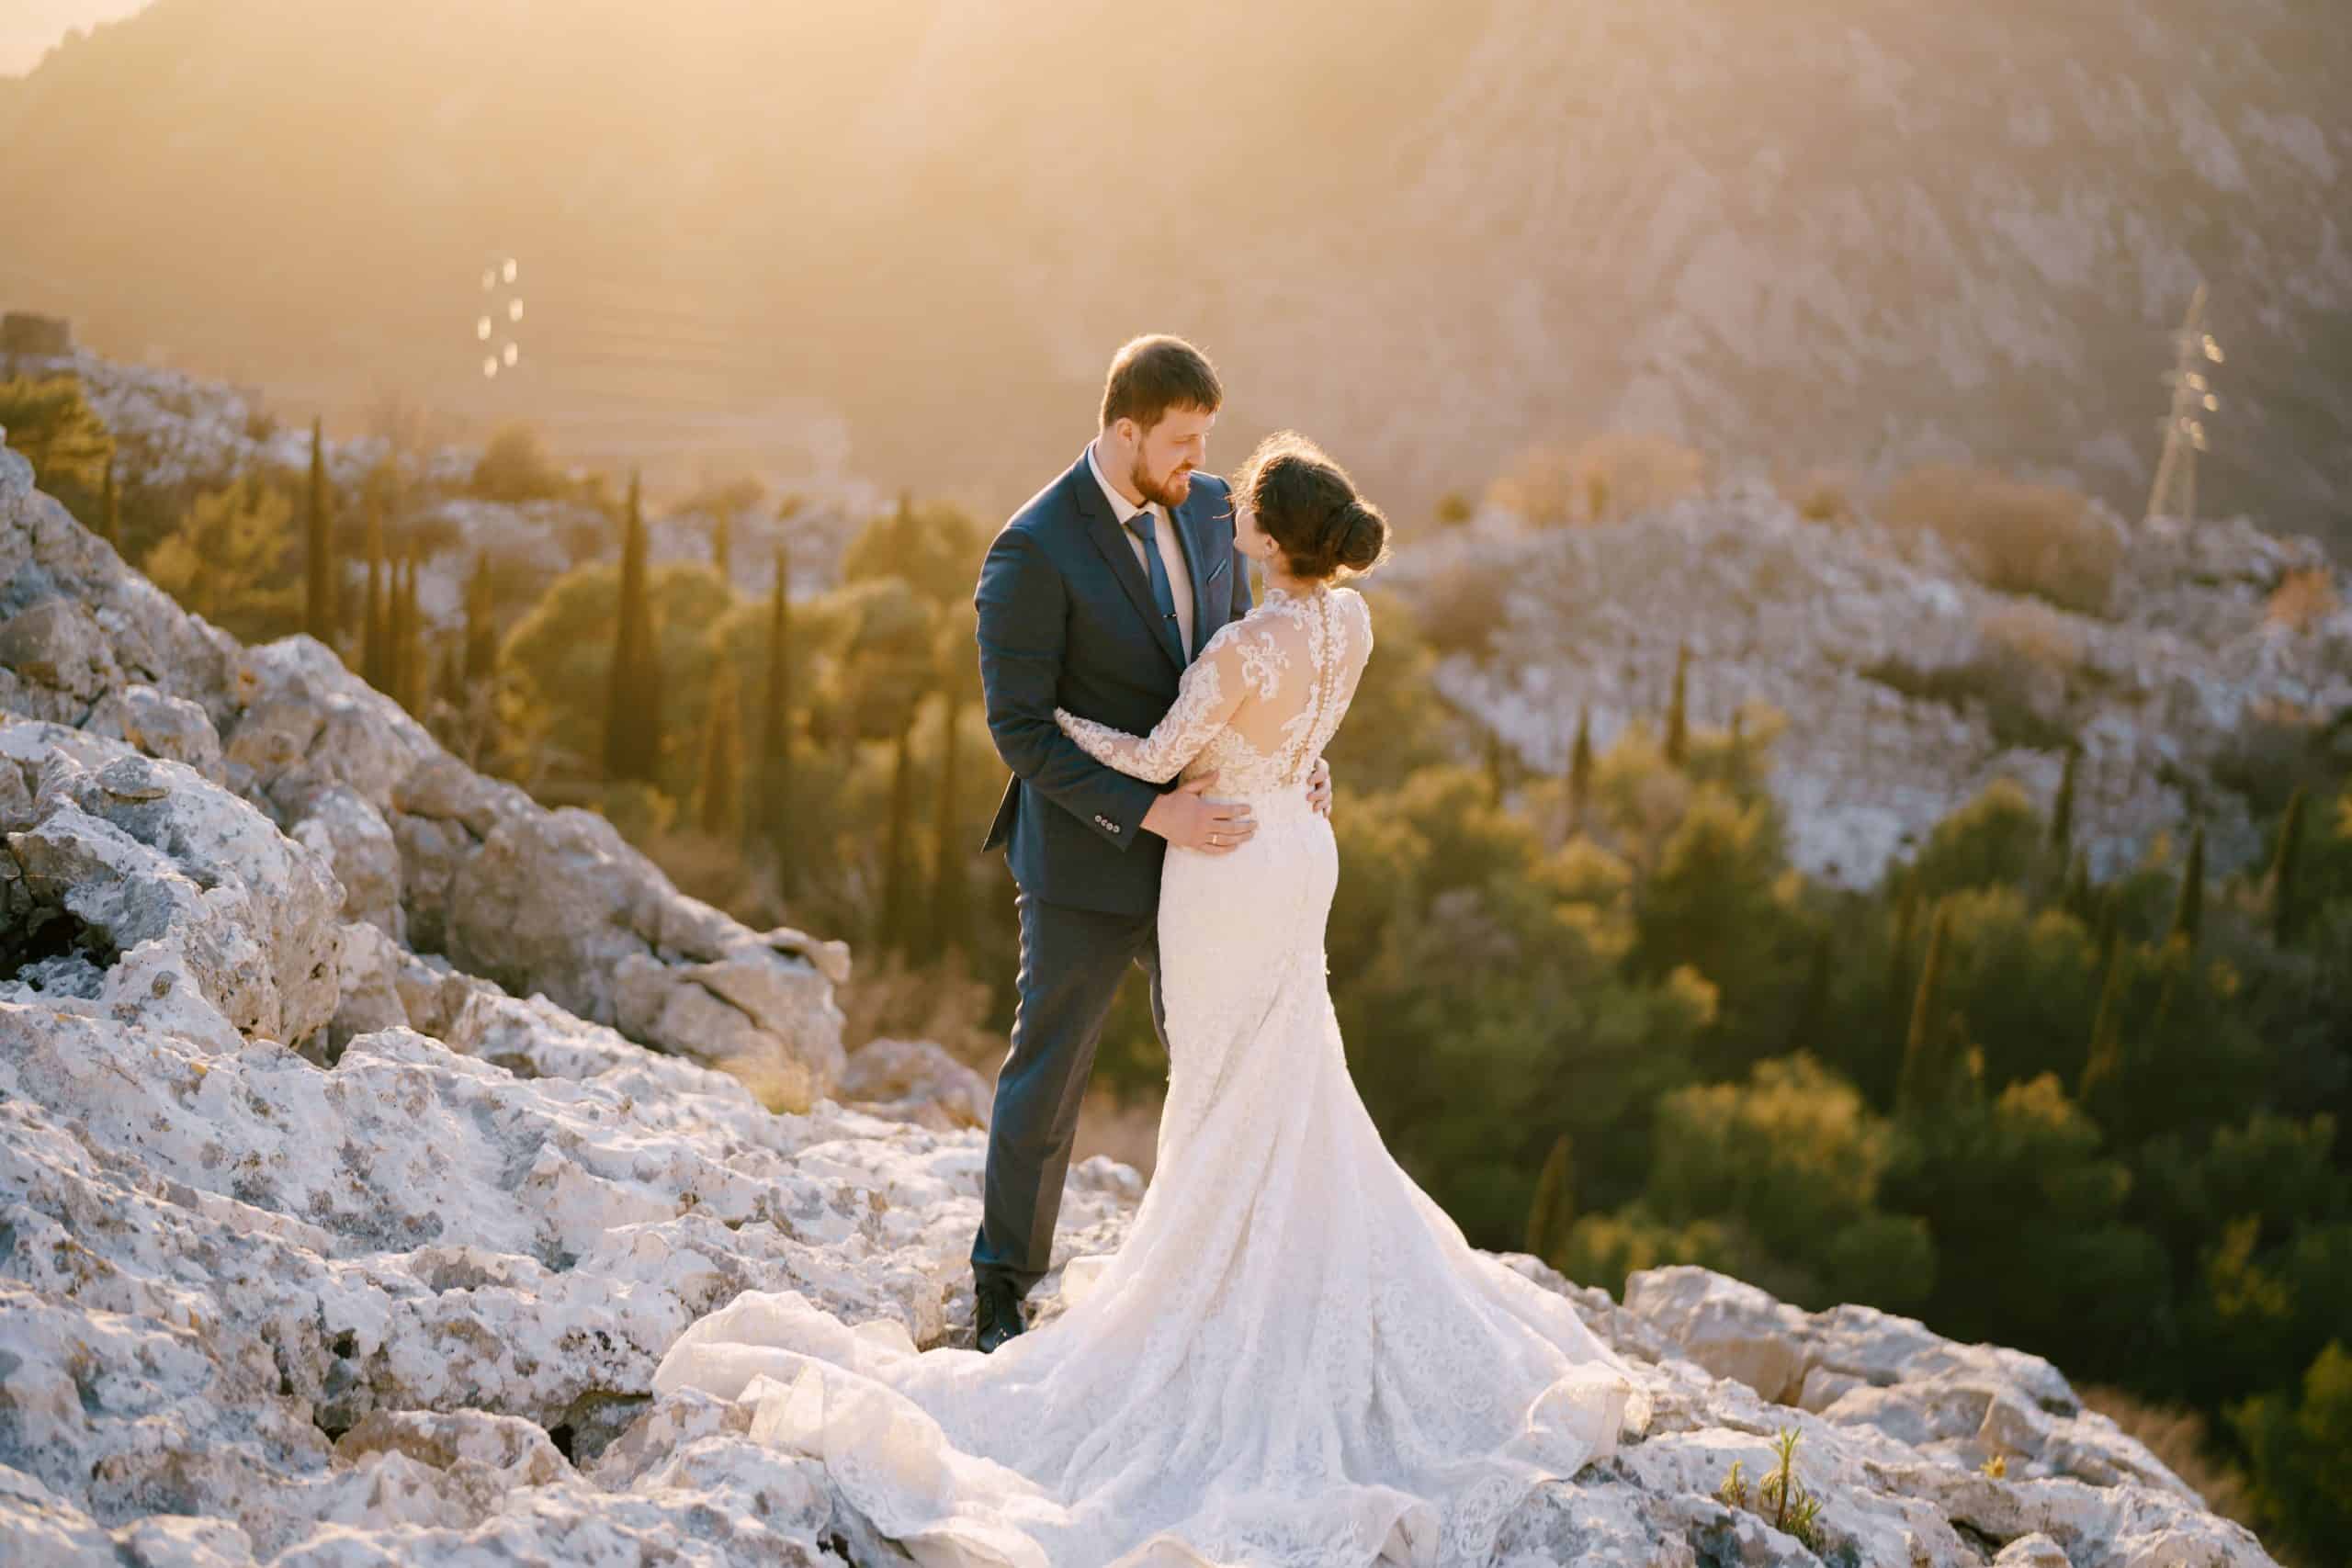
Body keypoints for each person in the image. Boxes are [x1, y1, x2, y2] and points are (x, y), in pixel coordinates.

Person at [652, 427, 1654, 1568]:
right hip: (1295, 851)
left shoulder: (1243, 646)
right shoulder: (1354, 620)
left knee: (1228, 1074)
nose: (1224, 515)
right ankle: (1268, 1266)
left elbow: (1160, 756)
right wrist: (1295, 760)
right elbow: (1306, 730)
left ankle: (1218, 1288)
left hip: (1221, 860)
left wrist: (1049, 733)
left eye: (1243, 515)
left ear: (1272, 538)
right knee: (1287, 1063)